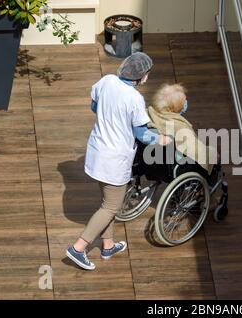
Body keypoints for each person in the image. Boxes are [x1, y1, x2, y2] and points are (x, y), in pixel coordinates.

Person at [66, 52, 171, 271]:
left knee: (107, 203)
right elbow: (141, 133)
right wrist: (160, 139)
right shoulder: (134, 98)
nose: (147, 78)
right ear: (139, 77)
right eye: (147, 75)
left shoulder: (107, 81)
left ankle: (108, 245)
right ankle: (78, 248)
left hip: (96, 151)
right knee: (111, 207)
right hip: (114, 159)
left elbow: (94, 107)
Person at [146, 83, 218, 175]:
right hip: (179, 162)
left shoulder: (151, 114)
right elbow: (197, 152)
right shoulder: (180, 127)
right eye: (184, 101)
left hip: (156, 162)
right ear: (175, 107)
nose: (186, 103)